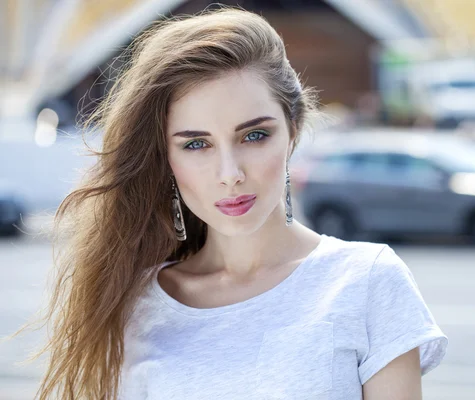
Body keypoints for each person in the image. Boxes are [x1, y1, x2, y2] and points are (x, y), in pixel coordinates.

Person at [21, 8, 447, 399]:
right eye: (196, 144)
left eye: (254, 136)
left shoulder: (367, 282)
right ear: (166, 157)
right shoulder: (135, 303)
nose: (230, 172)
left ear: (292, 131)